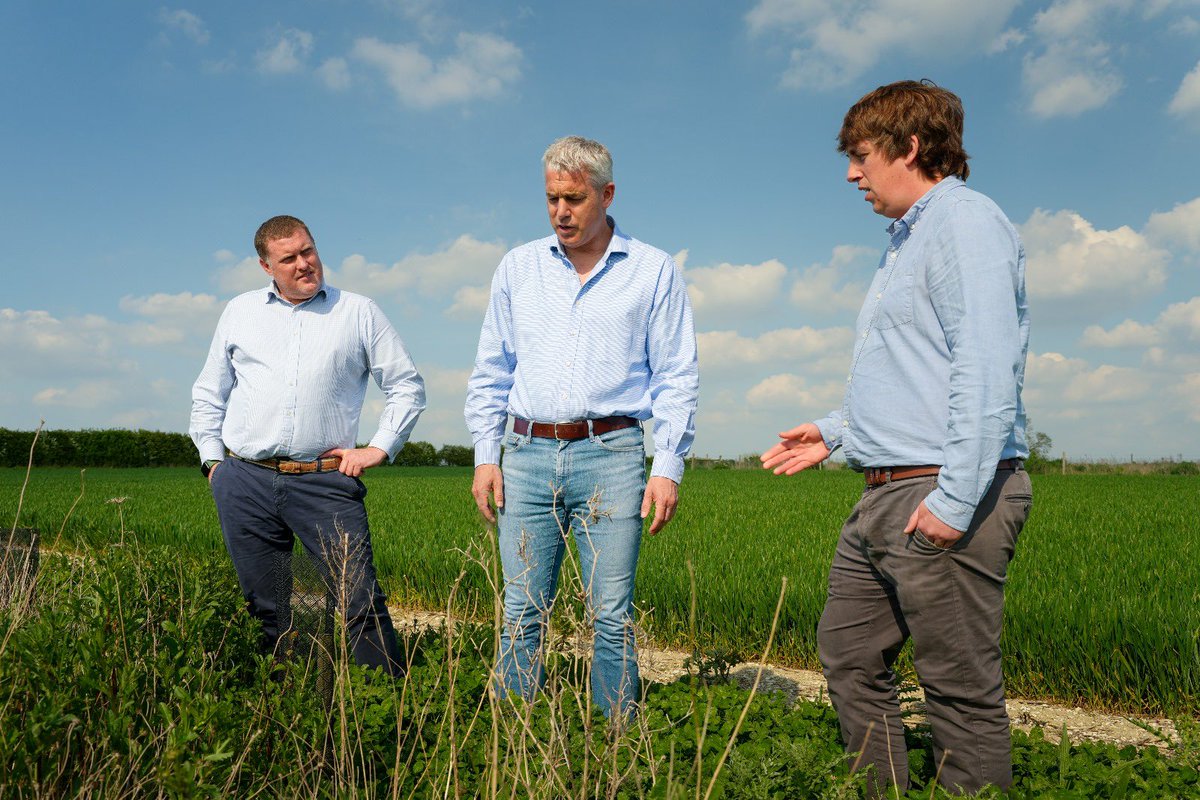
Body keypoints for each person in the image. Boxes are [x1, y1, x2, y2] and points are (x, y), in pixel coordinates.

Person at [761, 81, 1032, 796]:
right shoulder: (906, 241)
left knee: (958, 688)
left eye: (861, 156)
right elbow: (917, 373)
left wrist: (955, 500)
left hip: (939, 491)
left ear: (909, 147)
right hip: (886, 490)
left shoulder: (965, 224)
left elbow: (984, 367)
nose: (852, 174)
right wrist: (837, 431)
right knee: (848, 650)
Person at [465, 136, 699, 718]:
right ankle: (513, 734)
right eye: (552, 199)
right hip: (525, 453)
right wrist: (486, 456)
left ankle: (616, 736)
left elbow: (676, 374)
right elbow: (492, 369)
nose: (561, 212)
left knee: (611, 613)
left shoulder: (652, 270)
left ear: (607, 193)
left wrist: (667, 466)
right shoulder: (518, 267)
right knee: (521, 608)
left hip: (611, 454)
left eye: (574, 199)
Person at [190, 215, 426, 676]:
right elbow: (209, 392)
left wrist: (379, 447)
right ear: (266, 266)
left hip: (325, 483)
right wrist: (213, 462)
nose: (304, 264)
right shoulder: (239, 312)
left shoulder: (358, 311)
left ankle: (386, 705)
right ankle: (282, 698)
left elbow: (406, 386)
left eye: (308, 251)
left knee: (359, 599)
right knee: (267, 606)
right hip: (245, 481)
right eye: (289, 258)